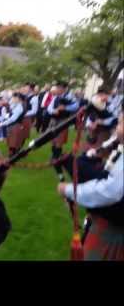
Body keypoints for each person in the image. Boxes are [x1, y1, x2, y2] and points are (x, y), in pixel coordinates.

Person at [57, 109, 124, 260]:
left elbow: (110, 191)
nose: (116, 128)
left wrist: (69, 190)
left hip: (114, 231)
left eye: (120, 123)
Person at [47, 81, 79, 181]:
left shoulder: (70, 96)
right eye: (57, 87)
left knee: (59, 141)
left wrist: (65, 107)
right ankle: (54, 157)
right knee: (53, 139)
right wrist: (54, 110)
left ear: (64, 88)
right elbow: (49, 107)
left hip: (63, 121)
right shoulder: (56, 97)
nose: (57, 89)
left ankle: (56, 159)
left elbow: (76, 106)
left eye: (59, 88)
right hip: (54, 120)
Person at [0, 92, 26, 157]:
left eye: (14, 97)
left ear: (18, 99)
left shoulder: (19, 107)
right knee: (11, 143)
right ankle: (12, 156)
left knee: (13, 143)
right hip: (12, 126)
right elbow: (9, 114)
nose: (12, 99)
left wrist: (2, 123)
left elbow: (13, 119)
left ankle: (12, 157)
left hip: (16, 126)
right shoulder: (15, 105)